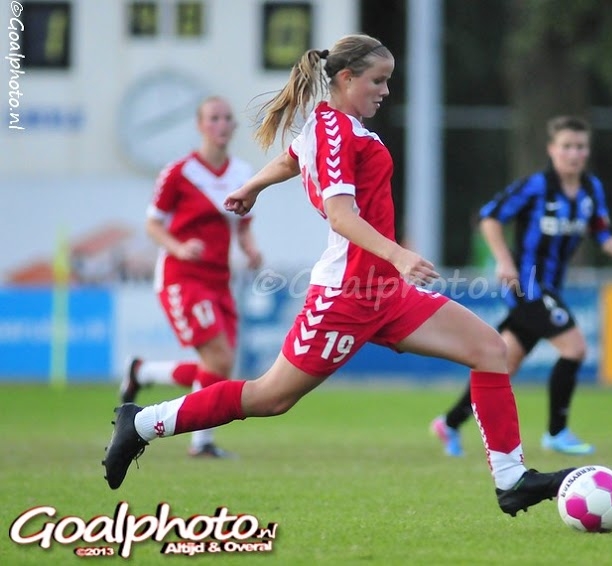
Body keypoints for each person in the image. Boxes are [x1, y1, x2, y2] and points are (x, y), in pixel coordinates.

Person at [102, 34, 574, 517]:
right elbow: (340, 214)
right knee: (269, 397)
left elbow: (291, 158)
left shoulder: (332, 125)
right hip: (347, 294)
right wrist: (398, 255)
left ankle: (512, 480)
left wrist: (252, 186)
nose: (385, 91)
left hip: (385, 293)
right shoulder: (335, 131)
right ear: (346, 78)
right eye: (378, 80)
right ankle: (141, 423)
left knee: (490, 350)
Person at [431, 116, 612, 457]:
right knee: (575, 348)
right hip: (527, 286)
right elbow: (490, 217)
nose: (574, 153)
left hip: (551, 286)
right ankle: (557, 432)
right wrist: (504, 261)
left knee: (502, 363)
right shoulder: (536, 187)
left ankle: (449, 423)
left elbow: (599, 227)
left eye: (580, 147)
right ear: (552, 150)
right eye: (567, 146)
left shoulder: (591, 189)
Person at [119, 96, 263, 458]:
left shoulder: (242, 173)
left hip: (219, 279)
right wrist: (179, 248)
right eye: (213, 118)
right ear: (200, 125)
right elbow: (153, 224)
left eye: (227, 118)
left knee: (219, 364)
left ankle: (143, 372)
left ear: (233, 126)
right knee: (218, 358)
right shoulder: (179, 172)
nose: (221, 124)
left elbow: (243, 225)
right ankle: (201, 442)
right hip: (182, 277)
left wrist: (250, 249)